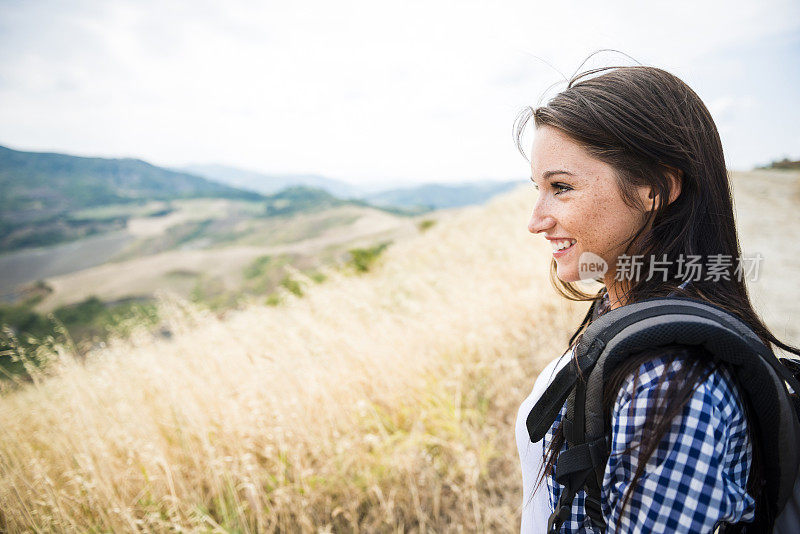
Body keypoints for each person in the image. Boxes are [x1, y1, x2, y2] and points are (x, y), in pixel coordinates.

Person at [512, 63, 800, 533]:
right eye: (538, 188)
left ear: (656, 189)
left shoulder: (669, 377)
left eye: (561, 188)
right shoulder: (622, 309)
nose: (536, 219)